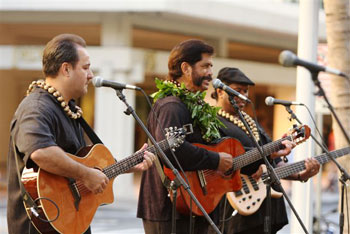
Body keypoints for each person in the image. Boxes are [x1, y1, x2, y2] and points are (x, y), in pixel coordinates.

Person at [7, 34, 156, 234]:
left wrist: (128, 165)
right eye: (85, 68)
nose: (91, 75)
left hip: (70, 222)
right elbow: (40, 152)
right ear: (66, 69)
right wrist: (86, 174)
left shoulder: (68, 108)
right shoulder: (37, 107)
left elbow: (82, 163)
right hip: (40, 226)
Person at [137, 39, 237, 234]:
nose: (210, 72)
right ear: (186, 68)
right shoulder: (171, 106)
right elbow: (172, 150)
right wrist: (215, 160)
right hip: (169, 210)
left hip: (193, 205)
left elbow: (218, 145)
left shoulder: (196, 106)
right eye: (205, 66)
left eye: (211, 66)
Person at [209, 67, 320, 234]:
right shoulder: (212, 122)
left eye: (245, 91)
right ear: (220, 91)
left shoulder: (251, 122)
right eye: (237, 91)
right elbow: (225, 160)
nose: (243, 96)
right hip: (236, 206)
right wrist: (263, 158)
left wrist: (302, 175)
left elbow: (273, 164)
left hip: (265, 205)